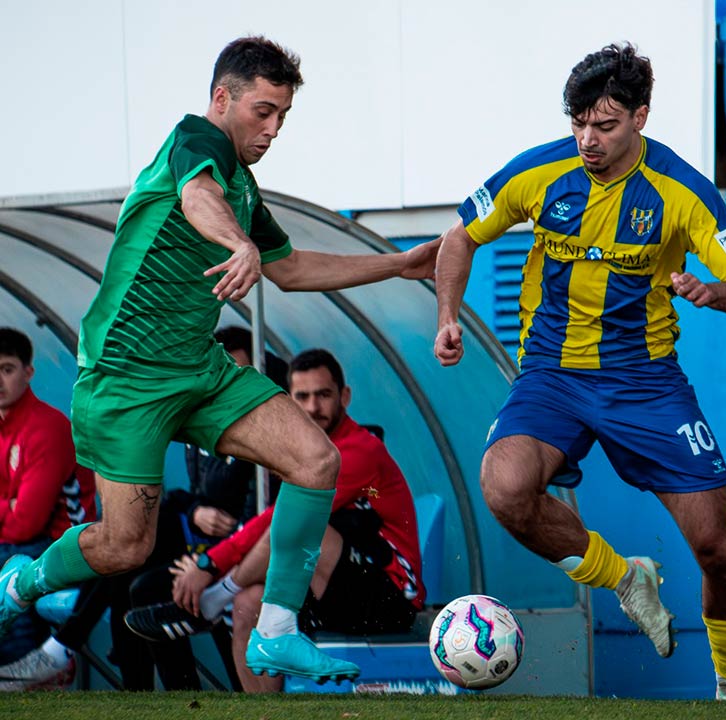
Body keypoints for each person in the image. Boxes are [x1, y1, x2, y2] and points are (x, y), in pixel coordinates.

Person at [0, 36, 438, 687]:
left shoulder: (244, 185)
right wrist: (237, 242)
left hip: (199, 372)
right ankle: (24, 582)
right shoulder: (194, 142)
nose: (273, 128)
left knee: (318, 459)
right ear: (221, 98)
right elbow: (196, 197)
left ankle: (276, 633)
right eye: (263, 111)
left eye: (283, 115)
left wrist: (398, 265)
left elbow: (290, 268)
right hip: (126, 379)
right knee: (127, 547)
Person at [432, 43, 726, 701]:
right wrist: (448, 315)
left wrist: (712, 292)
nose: (588, 140)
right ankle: (624, 577)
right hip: (551, 378)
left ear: (641, 117)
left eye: (606, 125)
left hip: (646, 383)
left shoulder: (680, 191)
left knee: (720, 550)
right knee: (504, 488)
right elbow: (460, 236)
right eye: (579, 124)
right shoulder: (538, 171)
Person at [0, 325, 286, 691]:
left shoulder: (266, 438)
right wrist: (198, 512)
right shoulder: (210, 429)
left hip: (240, 557)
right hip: (203, 548)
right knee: (133, 558)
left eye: (238, 374)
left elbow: (264, 515)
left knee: (133, 551)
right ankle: (133, 688)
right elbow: (191, 496)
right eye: (221, 372)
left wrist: (207, 562)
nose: (226, 384)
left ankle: (64, 652)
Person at [125, 348, 425, 692]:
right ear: (289, 401)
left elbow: (279, 517)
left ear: (344, 396)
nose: (313, 407)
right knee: (248, 603)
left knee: (305, 526)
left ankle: (209, 603)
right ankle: (262, 711)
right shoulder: (306, 451)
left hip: (391, 598)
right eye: (303, 397)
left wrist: (210, 564)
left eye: (324, 395)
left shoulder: (357, 450)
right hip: (331, 587)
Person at [0, 328, 96, 672]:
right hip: (18, 541)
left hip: (63, 547)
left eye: (7, 369)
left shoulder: (47, 427)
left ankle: (20, 665)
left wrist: (11, 508)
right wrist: (7, 507)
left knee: (13, 562)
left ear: (28, 373)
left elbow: (26, 522)